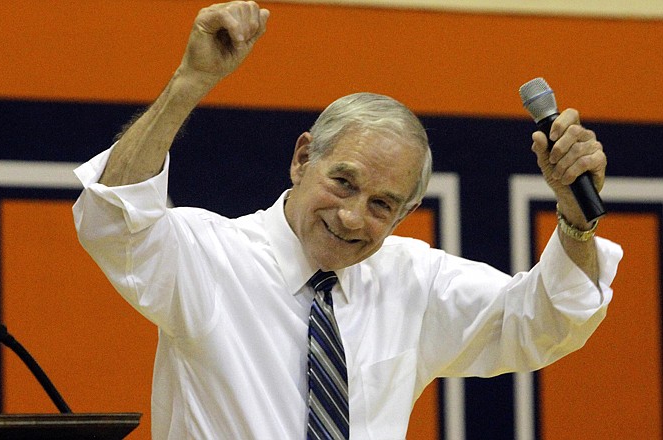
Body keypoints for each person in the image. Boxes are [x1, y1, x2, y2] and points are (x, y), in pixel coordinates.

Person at [72, 1, 622, 439]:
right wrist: (189, 82)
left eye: (382, 205)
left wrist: (575, 217)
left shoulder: (414, 281)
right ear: (303, 157)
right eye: (344, 182)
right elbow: (113, 219)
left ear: (406, 214)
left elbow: (543, 321)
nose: (353, 217)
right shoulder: (211, 257)